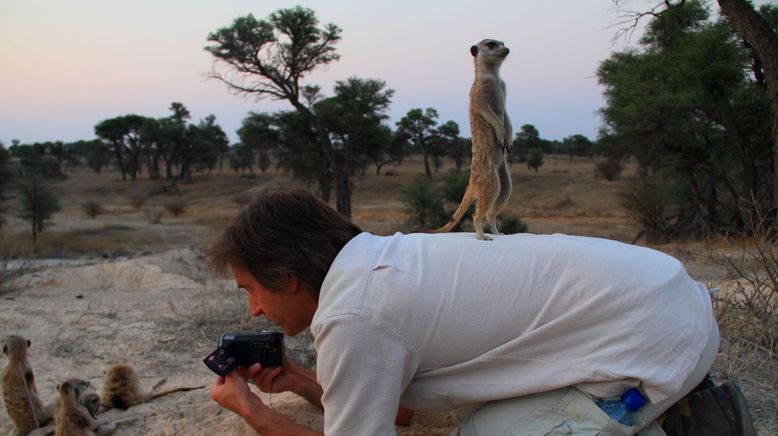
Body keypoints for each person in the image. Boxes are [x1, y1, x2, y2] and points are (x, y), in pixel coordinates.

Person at [207, 188, 717, 436]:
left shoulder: (355, 313)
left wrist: (251, 411)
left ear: (286, 276)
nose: (253, 309)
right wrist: (298, 380)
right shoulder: (378, 262)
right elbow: (401, 412)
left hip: (658, 340)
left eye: (250, 288)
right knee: (478, 413)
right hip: (668, 298)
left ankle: (676, 425)